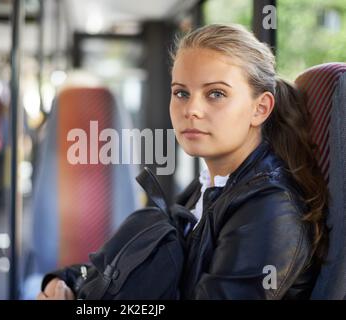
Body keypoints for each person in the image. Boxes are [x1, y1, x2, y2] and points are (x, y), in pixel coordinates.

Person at [37, 23, 329, 300]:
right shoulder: (206, 188)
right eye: (181, 93)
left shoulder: (270, 210)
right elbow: (132, 262)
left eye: (216, 94)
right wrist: (65, 282)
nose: (191, 110)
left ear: (260, 108)